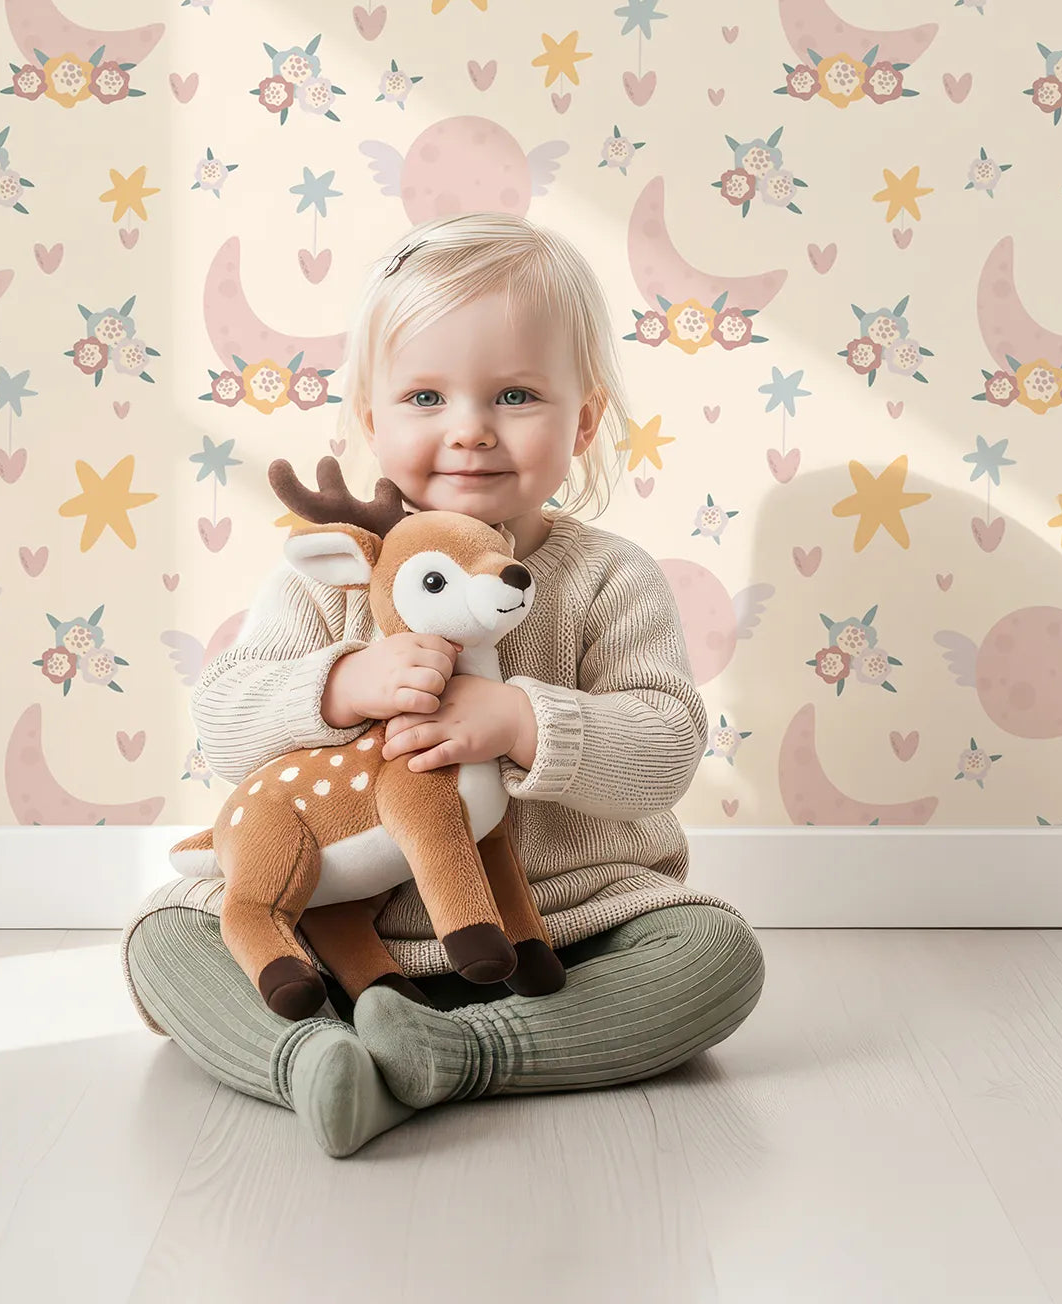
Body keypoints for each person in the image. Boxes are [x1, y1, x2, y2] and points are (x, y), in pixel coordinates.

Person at [121, 212, 765, 1158]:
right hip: (337, 924)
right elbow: (224, 718)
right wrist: (341, 684)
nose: (470, 431)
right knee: (164, 937)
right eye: (425, 396)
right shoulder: (327, 572)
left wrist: (520, 721)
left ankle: (455, 1053)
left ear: (583, 420)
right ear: (373, 422)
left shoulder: (608, 577)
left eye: (514, 393)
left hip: (563, 926)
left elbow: (666, 750)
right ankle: (310, 1057)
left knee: (717, 958)